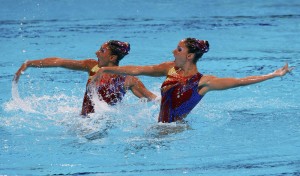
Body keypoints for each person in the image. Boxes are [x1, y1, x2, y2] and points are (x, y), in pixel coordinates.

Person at [92, 38, 293, 123]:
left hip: (174, 132)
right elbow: (139, 69)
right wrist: (108, 68)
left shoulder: (202, 83)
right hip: (159, 126)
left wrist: (274, 74)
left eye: (178, 50)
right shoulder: (170, 68)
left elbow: (240, 81)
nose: (173, 51)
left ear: (189, 56)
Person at [14, 40, 157, 116]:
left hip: (101, 123)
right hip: (83, 119)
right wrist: (30, 63)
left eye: (102, 51)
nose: (96, 52)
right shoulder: (92, 66)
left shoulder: (128, 79)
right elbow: (60, 62)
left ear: (112, 58)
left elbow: (154, 99)